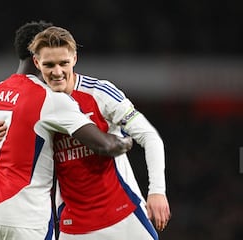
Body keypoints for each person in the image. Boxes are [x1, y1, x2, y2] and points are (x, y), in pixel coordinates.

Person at [0, 21, 133, 240]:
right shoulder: (50, 99)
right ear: (38, 55)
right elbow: (103, 144)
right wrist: (125, 141)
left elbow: (3, 147)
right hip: (25, 219)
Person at [27, 26, 171, 239]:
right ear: (37, 63)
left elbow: (149, 137)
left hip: (123, 215)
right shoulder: (35, 104)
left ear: (74, 59)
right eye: (49, 65)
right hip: (73, 226)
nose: (57, 72)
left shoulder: (100, 93)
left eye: (63, 63)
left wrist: (157, 191)